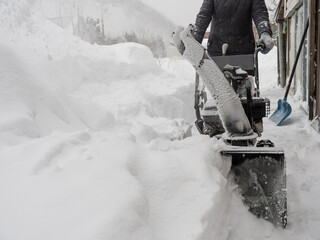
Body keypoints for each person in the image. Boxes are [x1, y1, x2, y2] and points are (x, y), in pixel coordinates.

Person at [192, 0, 274, 56]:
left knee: (245, 80)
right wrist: (196, 38)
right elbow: (204, 15)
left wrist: (264, 33)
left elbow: (260, 14)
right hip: (217, 51)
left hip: (243, 52)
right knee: (216, 80)